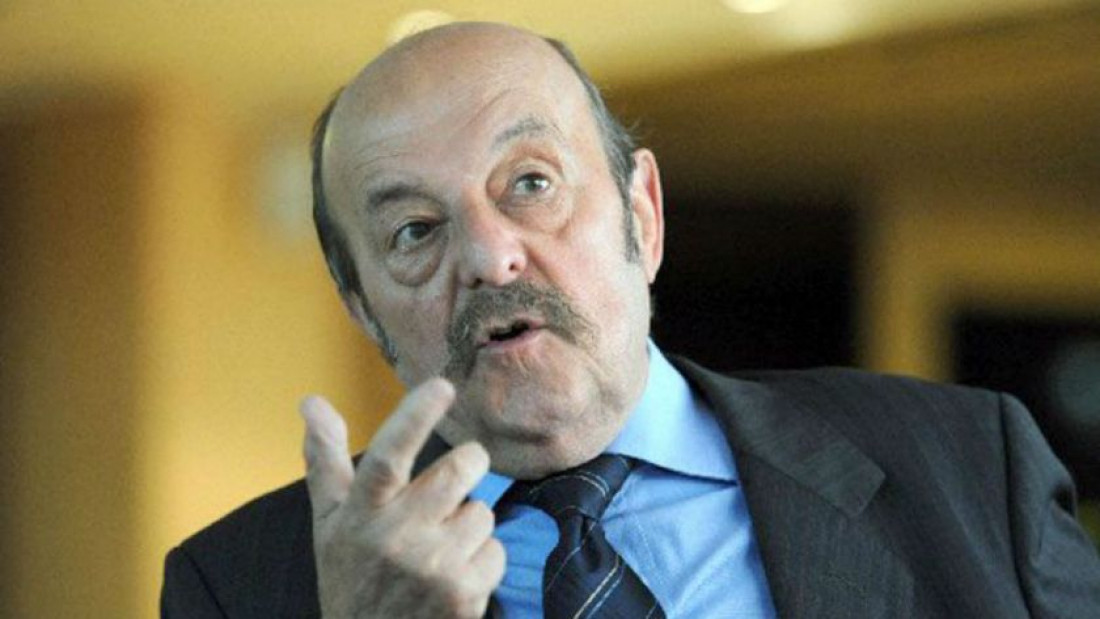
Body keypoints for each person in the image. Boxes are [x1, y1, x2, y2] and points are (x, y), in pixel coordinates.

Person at [160, 21, 1100, 618]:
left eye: (531, 183)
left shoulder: (969, 465)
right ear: (365, 308)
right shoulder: (241, 583)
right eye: (414, 229)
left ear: (642, 214)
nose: (489, 255)